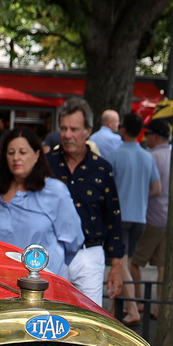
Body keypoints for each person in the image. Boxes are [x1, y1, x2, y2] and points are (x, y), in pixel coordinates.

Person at [0, 127, 85, 277]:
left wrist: (49, 266)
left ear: (37, 155)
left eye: (23, 152)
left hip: (44, 285)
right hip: (1, 280)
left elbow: (73, 240)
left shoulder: (55, 191)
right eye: (11, 153)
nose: (16, 158)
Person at [47, 97, 126, 307]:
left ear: (87, 131)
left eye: (74, 129)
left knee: (90, 320)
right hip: (51, 253)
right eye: (63, 128)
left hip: (89, 254)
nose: (67, 135)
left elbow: (113, 217)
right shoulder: (46, 165)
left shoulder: (102, 169)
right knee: (49, 317)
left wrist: (116, 266)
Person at [109, 112, 161, 325]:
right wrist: (139, 194)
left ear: (123, 129)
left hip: (120, 216)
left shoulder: (114, 156)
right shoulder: (147, 156)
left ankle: (131, 308)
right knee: (126, 264)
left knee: (121, 264)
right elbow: (156, 188)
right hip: (140, 216)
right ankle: (115, 308)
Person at [134, 121, 172, 316]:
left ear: (156, 136)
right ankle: (160, 306)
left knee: (133, 261)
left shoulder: (151, 157)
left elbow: (152, 189)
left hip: (151, 216)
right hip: (169, 217)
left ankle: (137, 301)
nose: (145, 137)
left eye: (147, 133)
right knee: (162, 265)